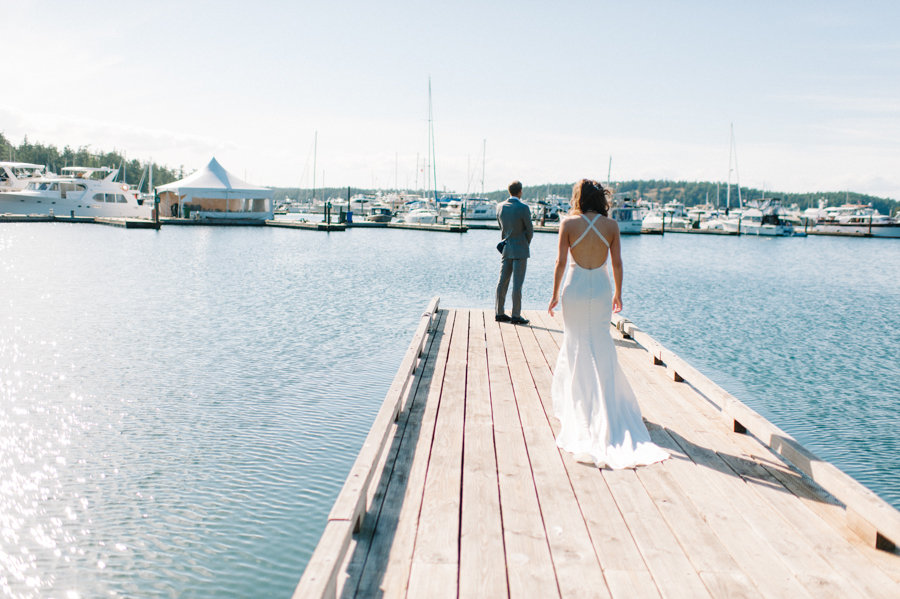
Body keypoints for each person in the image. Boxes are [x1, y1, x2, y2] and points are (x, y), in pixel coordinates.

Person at [547, 180, 669, 469]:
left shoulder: (568, 224)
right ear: (601, 199)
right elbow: (617, 264)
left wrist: (553, 295)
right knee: (600, 342)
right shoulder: (611, 226)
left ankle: (577, 406)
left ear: (579, 197)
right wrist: (618, 292)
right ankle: (606, 404)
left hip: (575, 287)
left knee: (574, 342)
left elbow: (560, 263)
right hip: (601, 287)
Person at [496, 180, 534, 324]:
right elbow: (530, 230)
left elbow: (501, 227)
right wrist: (525, 243)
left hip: (506, 248)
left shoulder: (499, 207)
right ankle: (516, 316)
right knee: (517, 285)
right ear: (520, 191)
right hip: (520, 250)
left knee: (502, 282)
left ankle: (499, 313)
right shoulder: (524, 208)